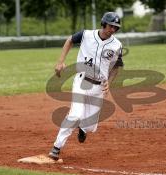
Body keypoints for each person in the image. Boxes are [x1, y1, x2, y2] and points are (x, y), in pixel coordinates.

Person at [48, 12, 123, 160]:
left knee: (90, 126)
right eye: (110, 26)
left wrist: (110, 82)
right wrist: (60, 61)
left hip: (99, 87)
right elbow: (70, 40)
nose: (112, 30)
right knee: (75, 115)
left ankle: (82, 128)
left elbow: (116, 66)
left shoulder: (117, 45)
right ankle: (56, 148)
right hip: (82, 81)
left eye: (115, 27)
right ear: (103, 24)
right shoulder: (86, 35)